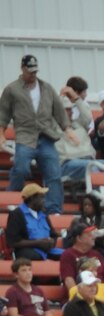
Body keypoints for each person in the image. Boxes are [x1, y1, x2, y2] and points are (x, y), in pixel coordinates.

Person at [1, 56, 68, 209]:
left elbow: (59, 110)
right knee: (21, 167)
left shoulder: (47, 88)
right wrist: (1, 133)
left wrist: (67, 128)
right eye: (30, 71)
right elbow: (3, 113)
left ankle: (54, 209)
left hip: (46, 136)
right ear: (23, 69)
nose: (33, 74)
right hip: (25, 136)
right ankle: (14, 195)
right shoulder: (12, 89)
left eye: (35, 71)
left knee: (54, 173)